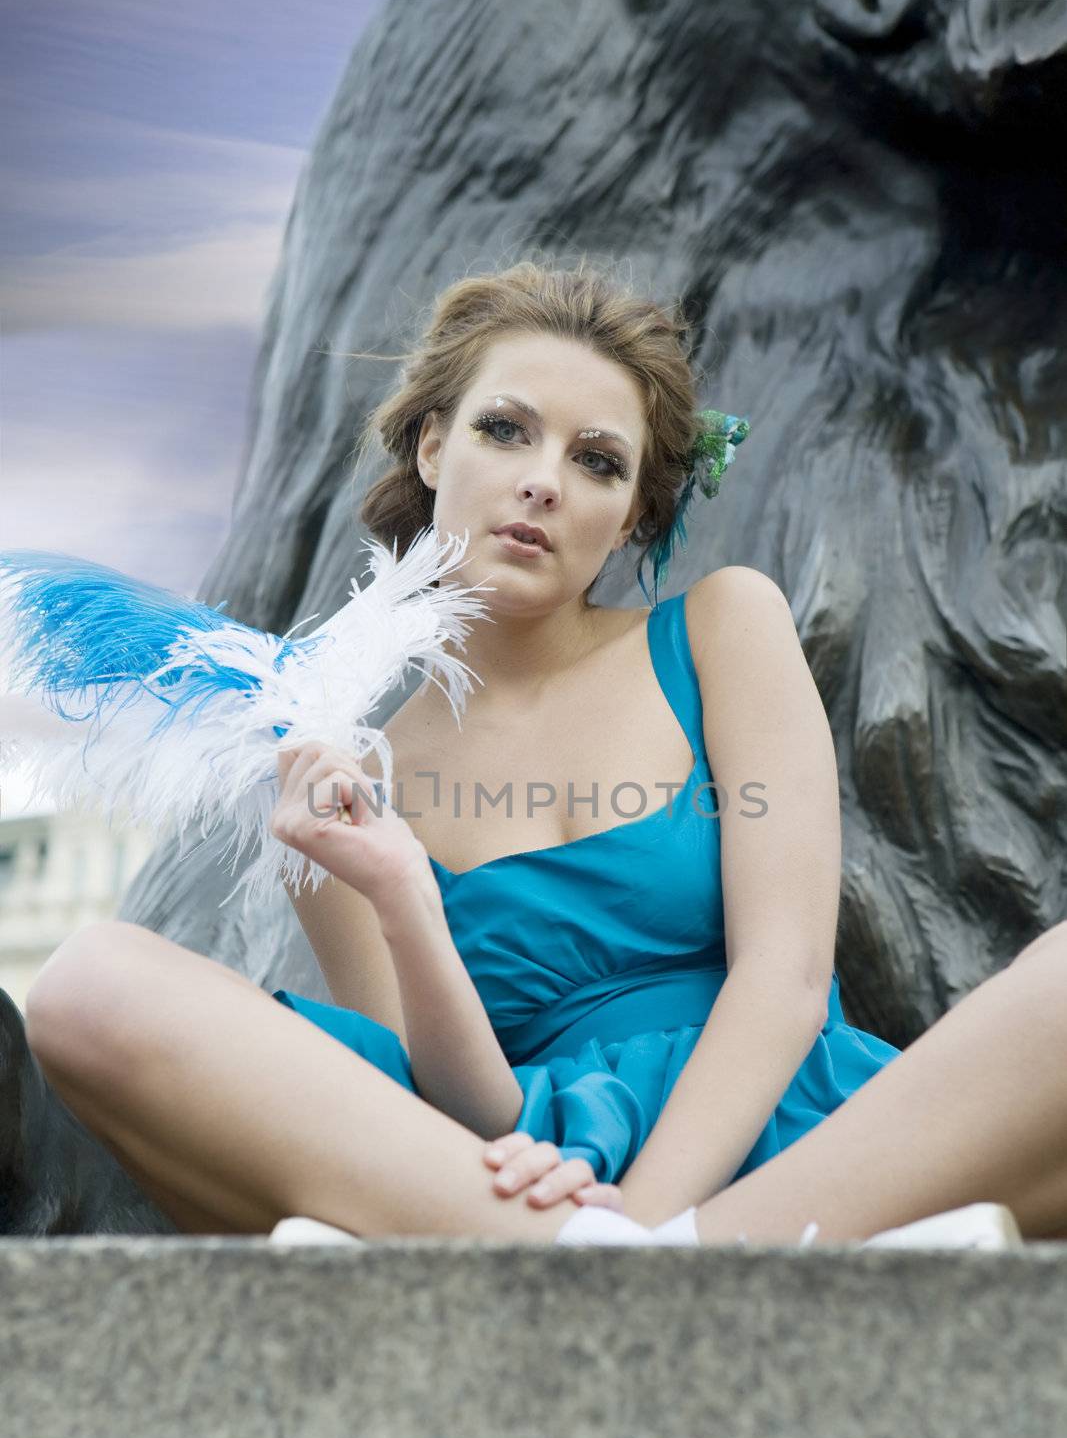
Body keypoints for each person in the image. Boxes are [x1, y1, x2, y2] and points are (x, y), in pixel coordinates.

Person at [23, 260, 1067, 1248]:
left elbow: (786, 980)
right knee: (87, 983)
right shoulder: (342, 774)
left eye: (595, 460)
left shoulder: (719, 627)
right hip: (519, 1187)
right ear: (433, 448)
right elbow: (427, 1119)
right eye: (505, 431)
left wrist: (643, 1227)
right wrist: (401, 897)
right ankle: (572, 1257)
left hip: (799, 1164)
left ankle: (652, 1267)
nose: (541, 482)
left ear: (630, 519)